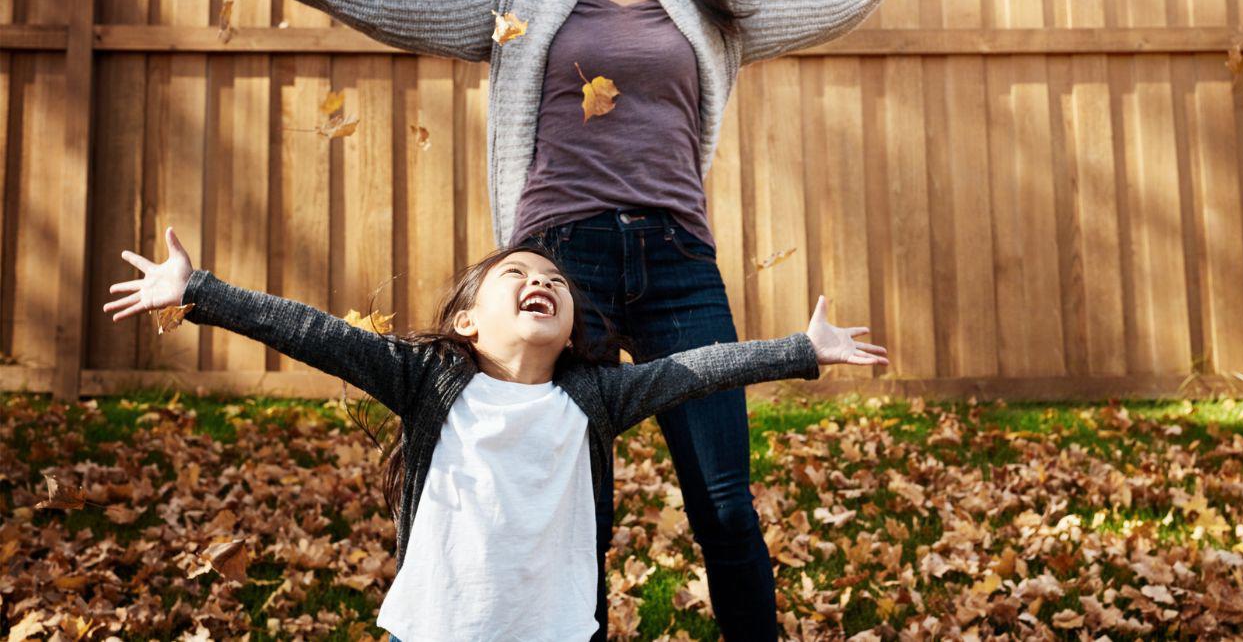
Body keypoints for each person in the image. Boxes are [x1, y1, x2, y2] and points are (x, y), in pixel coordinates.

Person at [119, 0, 1024, 635]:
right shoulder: (518, 0)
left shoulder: (714, 8)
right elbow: (383, 9)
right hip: (558, 263)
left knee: (725, 501)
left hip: (678, 262)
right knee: (569, 498)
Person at [102, 227, 888, 641]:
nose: (539, 281)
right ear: (467, 319)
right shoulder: (427, 381)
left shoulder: (598, 397)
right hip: (436, 626)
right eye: (516, 274)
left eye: (553, 280)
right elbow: (314, 332)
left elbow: (696, 367)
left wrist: (801, 349)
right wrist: (198, 291)